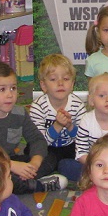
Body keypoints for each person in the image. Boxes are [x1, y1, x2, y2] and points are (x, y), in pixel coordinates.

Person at [0, 62, 67, 194]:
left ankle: (24, 180)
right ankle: (36, 185)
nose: (10, 94)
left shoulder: (19, 113)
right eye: (2, 89)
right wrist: (10, 165)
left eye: (13, 88)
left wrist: (34, 163)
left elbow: (37, 139)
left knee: (50, 157)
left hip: (11, 160)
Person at [30, 54, 86, 182]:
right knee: (43, 159)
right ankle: (37, 179)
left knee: (82, 158)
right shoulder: (38, 107)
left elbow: (82, 139)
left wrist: (70, 126)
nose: (60, 83)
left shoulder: (78, 105)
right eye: (53, 79)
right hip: (46, 148)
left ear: (72, 84)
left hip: (69, 147)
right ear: (44, 86)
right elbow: (39, 142)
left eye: (65, 79)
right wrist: (58, 125)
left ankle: (78, 173)